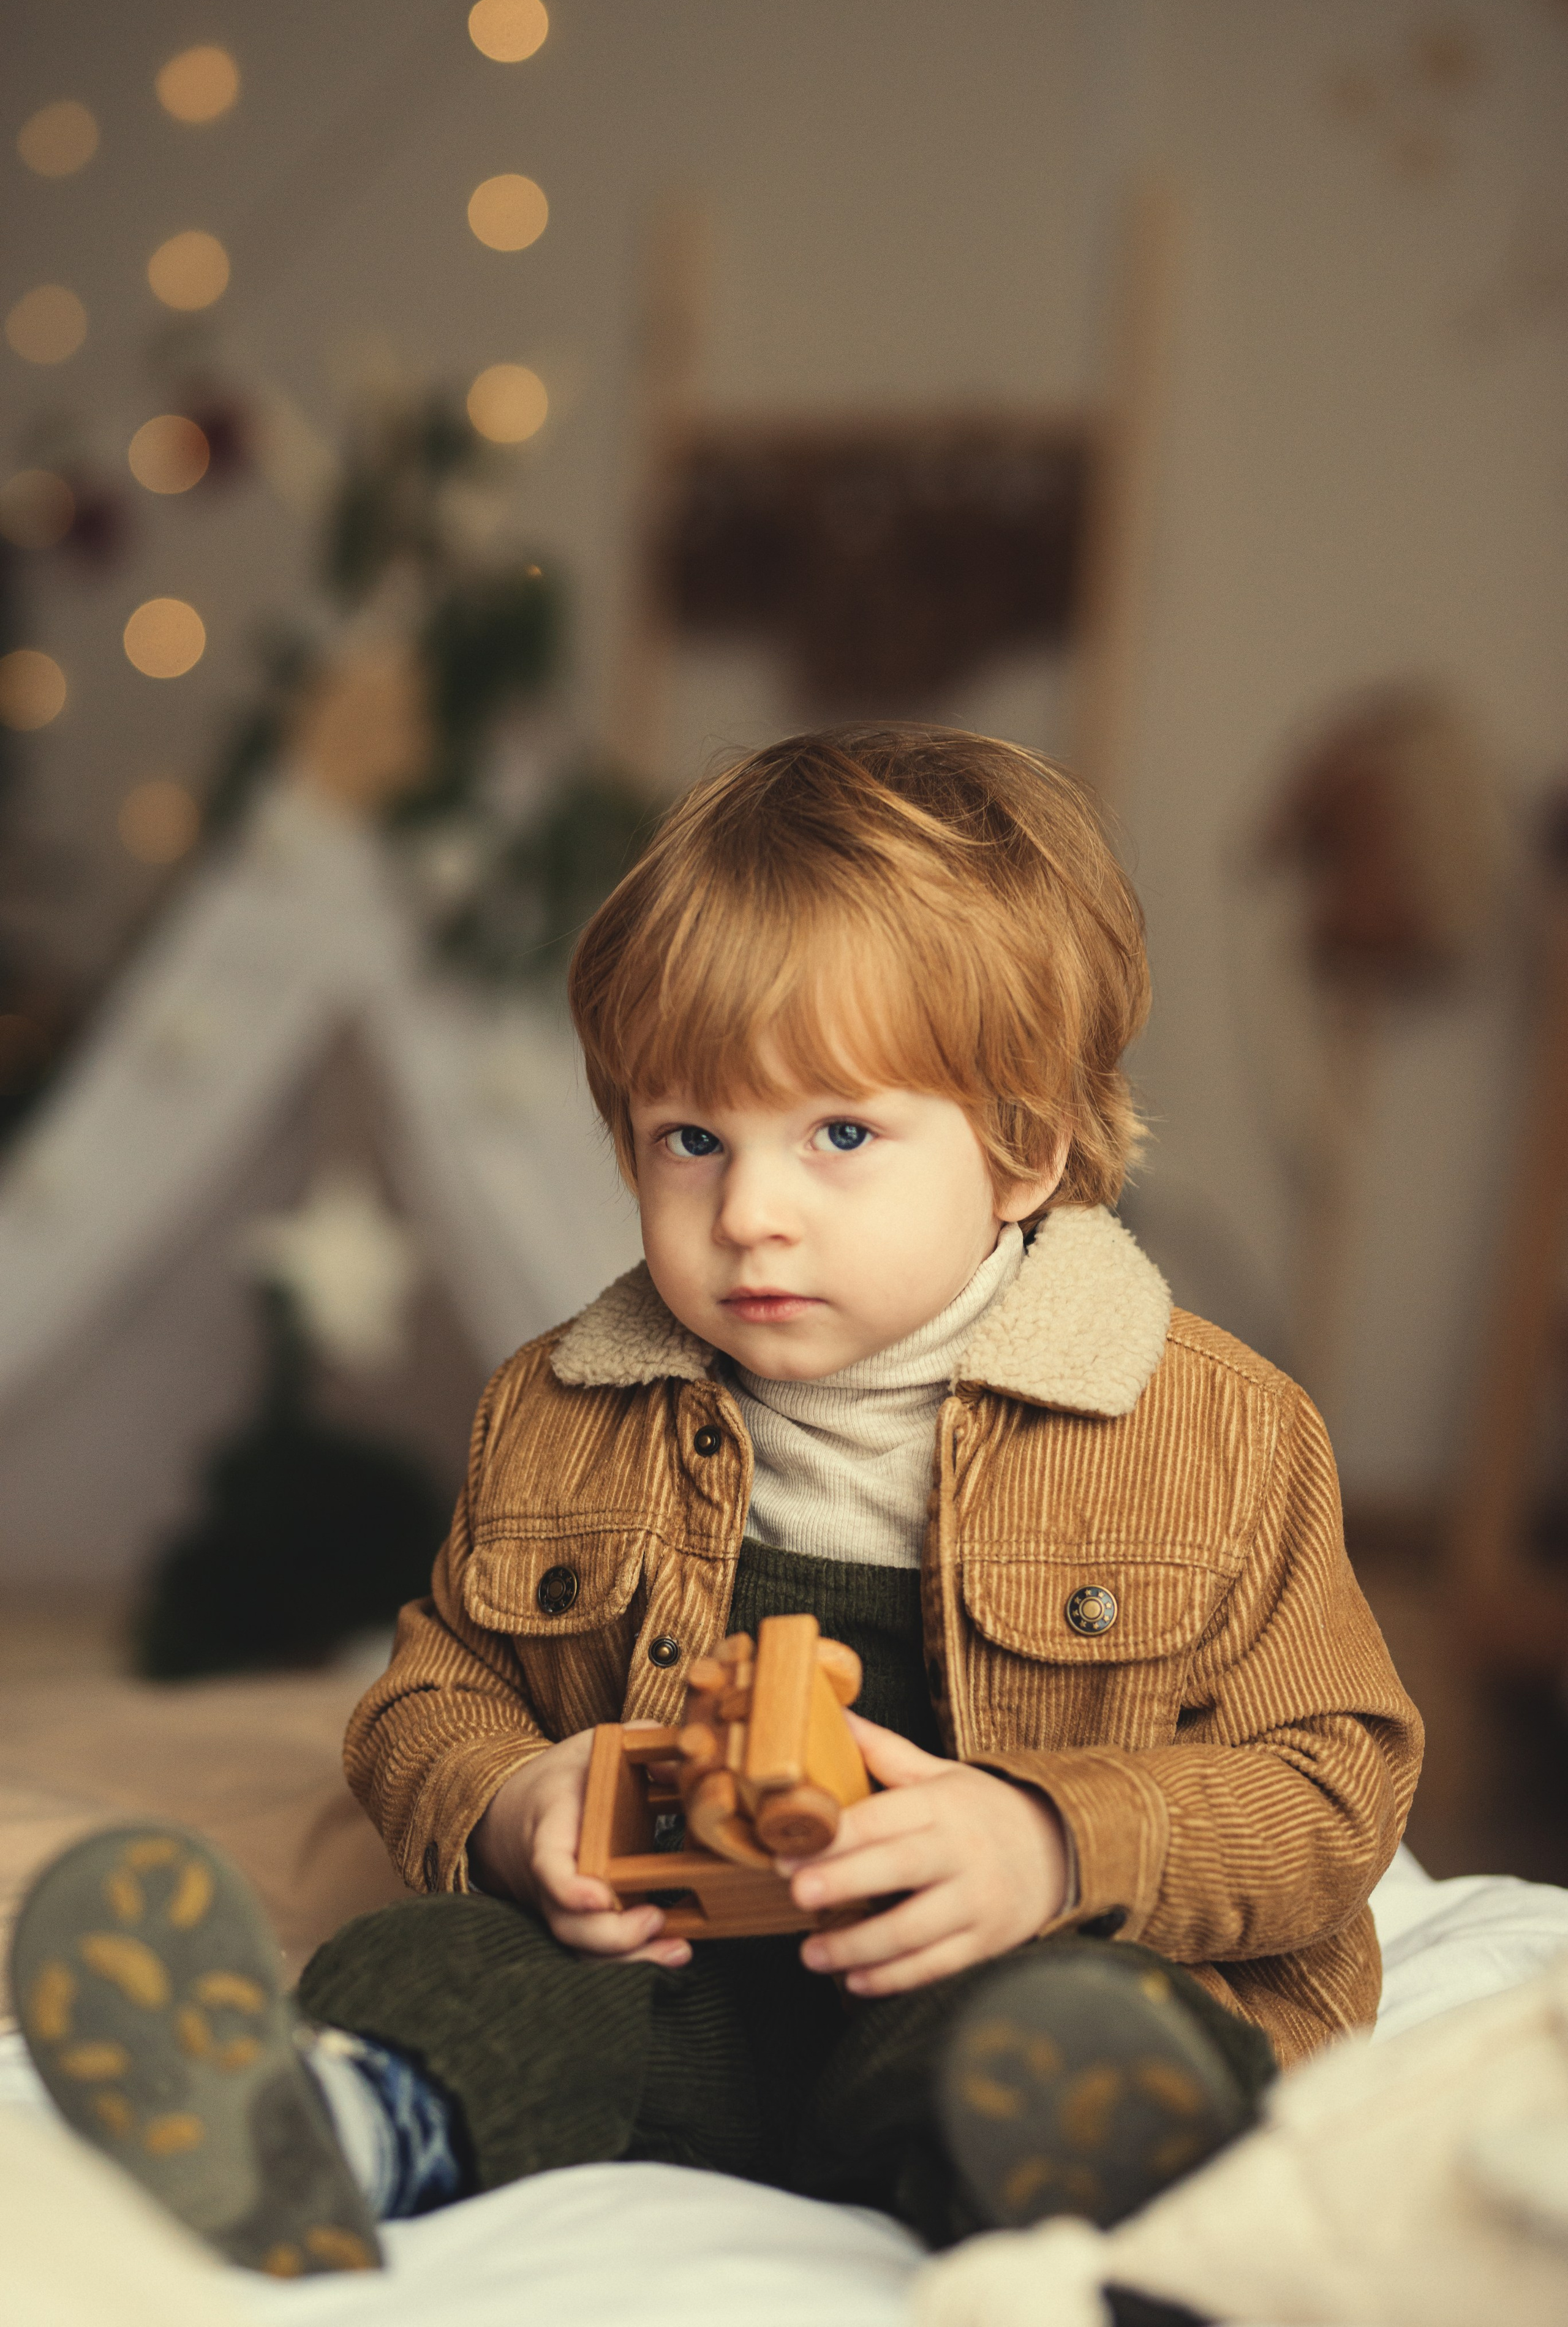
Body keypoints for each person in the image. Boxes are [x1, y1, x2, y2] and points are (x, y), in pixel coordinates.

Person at [13, 726, 1422, 2289]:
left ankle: (1101, 2197)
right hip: (674, 1993)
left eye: (839, 1135)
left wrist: (1051, 1839)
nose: (748, 1211)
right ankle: (333, 2130)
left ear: (1021, 1149)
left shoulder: (1210, 1431)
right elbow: (430, 1694)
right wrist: (510, 1803)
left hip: (981, 1984)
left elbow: (1331, 1779)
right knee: (454, 1970)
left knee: (1064, 2031)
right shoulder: (560, 1409)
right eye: (692, 1137)